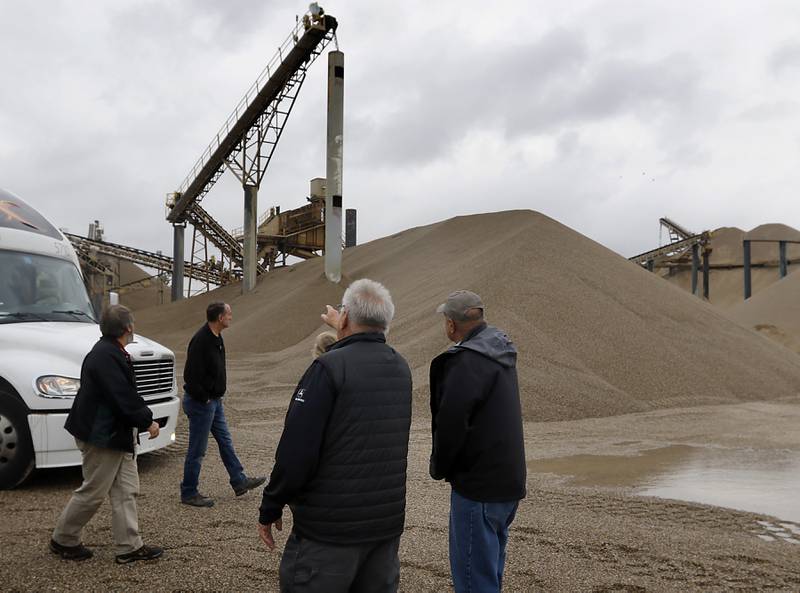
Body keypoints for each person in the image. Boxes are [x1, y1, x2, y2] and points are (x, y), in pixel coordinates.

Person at [258, 279, 412, 593]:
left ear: (343, 318)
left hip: (329, 534)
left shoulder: (327, 369)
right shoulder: (400, 367)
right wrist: (344, 323)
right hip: (383, 530)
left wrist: (271, 504)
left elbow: (296, 451)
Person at [429, 290, 526, 593]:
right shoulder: (499, 350)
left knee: (473, 577)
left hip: (478, 485)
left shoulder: (467, 360)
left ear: (451, 324)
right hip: (507, 481)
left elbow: (452, 422)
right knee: (489, 568)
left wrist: (440, 467)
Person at [50, 305, 163, 564]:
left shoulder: (110, 352)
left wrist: (140, 418)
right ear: (128, 328)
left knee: (126, 490)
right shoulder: (105, 356)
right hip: (102, 437)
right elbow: (121, 398)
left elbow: (123, 396)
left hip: (114, 435)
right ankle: (63, 539)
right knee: (93, 491)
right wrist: (148, 422)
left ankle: (129, 547)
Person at [180, 302, 265, 507]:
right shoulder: (201, 340)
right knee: (197, 450)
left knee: (225, 441)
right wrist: (205, 397)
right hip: (202, 403)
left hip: (214, 402)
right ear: (220, 317)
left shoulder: (217, 337)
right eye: (228, 314)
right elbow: (190, 376)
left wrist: (215, 396)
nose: (231, 317)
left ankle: (239, 480)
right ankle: (189, 492)